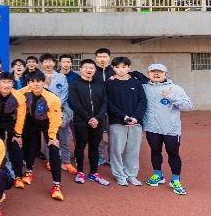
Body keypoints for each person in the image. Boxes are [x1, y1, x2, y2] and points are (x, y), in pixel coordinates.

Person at [142, 63, 193, 194]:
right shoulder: (144, 88)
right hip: (152, 128)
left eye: (160, 72)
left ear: (165, 74)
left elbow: (188, 106)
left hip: (171, 129)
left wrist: (170, 97)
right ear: (148, 74)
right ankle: (158, 175)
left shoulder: (175, 88)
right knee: (155, 151)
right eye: (153, 71)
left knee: (173, 153)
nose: (156, 74)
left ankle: (175, 180)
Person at [20, 71, 64, 200]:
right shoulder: (23, 92)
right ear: (28, 83)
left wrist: (52, 137)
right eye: (32, 82)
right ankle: (29, 171)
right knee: (31, 146)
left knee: (54, 150)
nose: (35, 84)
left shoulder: (52, 98)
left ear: (44, 82)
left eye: (38, 81)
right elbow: (9, 92)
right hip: (32, 121)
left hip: (48, 123)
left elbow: (55, 119)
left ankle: (56, 185)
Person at [105, 57, 147, 186]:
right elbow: (108, 103)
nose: (121, 70)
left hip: (136, 123)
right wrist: (124, 116)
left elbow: (142, 101)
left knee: (133, 150)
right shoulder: (108, 84)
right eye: (117, 67)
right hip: (117, 122)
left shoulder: (136, 83)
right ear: (113, 68)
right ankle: (119, 175)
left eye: (124, 67)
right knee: (116, 151)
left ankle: (131, 175)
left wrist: (136, 117)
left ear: (129, 67)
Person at [68, 59, 109, 186]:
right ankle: (80, 172)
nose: (88, 70)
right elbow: (74, 103)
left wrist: (98, 118)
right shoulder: (74, 84)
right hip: (81, 121)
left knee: (94, 147)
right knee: (80, 146)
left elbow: (104, 102)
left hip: (98, 121)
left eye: (91, 68)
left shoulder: (99, 84)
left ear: (95, 70)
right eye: (86, 67)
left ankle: (93, 173)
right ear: (80, 69)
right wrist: (88, 118)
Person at [0, 71, 26, 187]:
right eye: (3, 82)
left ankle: (18, 175)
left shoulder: (19, 97)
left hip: (10, 120)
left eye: (9, 82)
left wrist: (18, 134)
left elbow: (21, 117)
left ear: (13, 84)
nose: (6, 85)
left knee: (15, 146)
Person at [40, 53, 75, 175]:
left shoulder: (61, 76)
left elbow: (65, 93)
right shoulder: (39, 76)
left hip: (61, 110)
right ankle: (50, 160)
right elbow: (38, 93)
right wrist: (45, 84)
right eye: (45, 62)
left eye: (50, 61)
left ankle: (66, 161)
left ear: (54, 63)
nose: (48, 64)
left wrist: (57, 105)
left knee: (64, 137)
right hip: (46, 112)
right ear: (42, 64)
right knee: (49, 137)